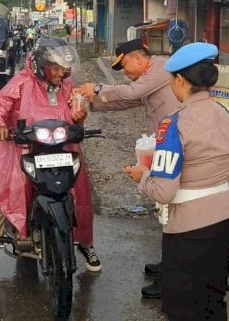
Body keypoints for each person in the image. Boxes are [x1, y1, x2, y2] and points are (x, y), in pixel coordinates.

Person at [124, 42, 229, 321]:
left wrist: (144, 176)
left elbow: (164, 191)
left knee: (183, 308)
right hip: (226, 221)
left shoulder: (173, 124)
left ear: (179, 80)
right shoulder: (228, 114)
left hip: (189, 230)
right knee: (214, 299)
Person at [0, 36, 100, 284]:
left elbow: (76, 111)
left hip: (60, 147)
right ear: (42, 65)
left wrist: (79, 115)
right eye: (57, 67)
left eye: (65, 67)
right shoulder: (21, 82)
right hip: (23, 148)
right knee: (5, 195)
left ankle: (85, 242)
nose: (63, 72)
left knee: (81, 192)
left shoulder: (66, 85)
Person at [76, 37, 181, 299]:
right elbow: (127, 100)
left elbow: (132, 93)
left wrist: (98, 87)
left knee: (174, 209)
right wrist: (91, 101)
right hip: (168, 146)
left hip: (180, 146)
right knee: (165, 210)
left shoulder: (159, 68)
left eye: (125, 67)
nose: (125, 73)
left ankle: (173, 275)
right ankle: (169, 264)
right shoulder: (147, 79)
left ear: (137, 58)